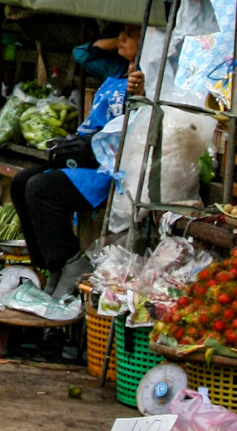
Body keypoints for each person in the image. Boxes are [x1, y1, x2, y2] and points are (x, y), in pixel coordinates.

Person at [10, 26, 145, 299]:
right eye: (122, 31)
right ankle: (53, 267)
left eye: (130, 34)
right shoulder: (115, 70)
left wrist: (141, 87)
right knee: (20, 183)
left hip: (108, 167)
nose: (122, 37)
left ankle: (72, 262)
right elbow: (82, 53)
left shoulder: (147, 79)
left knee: (40, 188)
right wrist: (123, 43)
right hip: (82, 156)